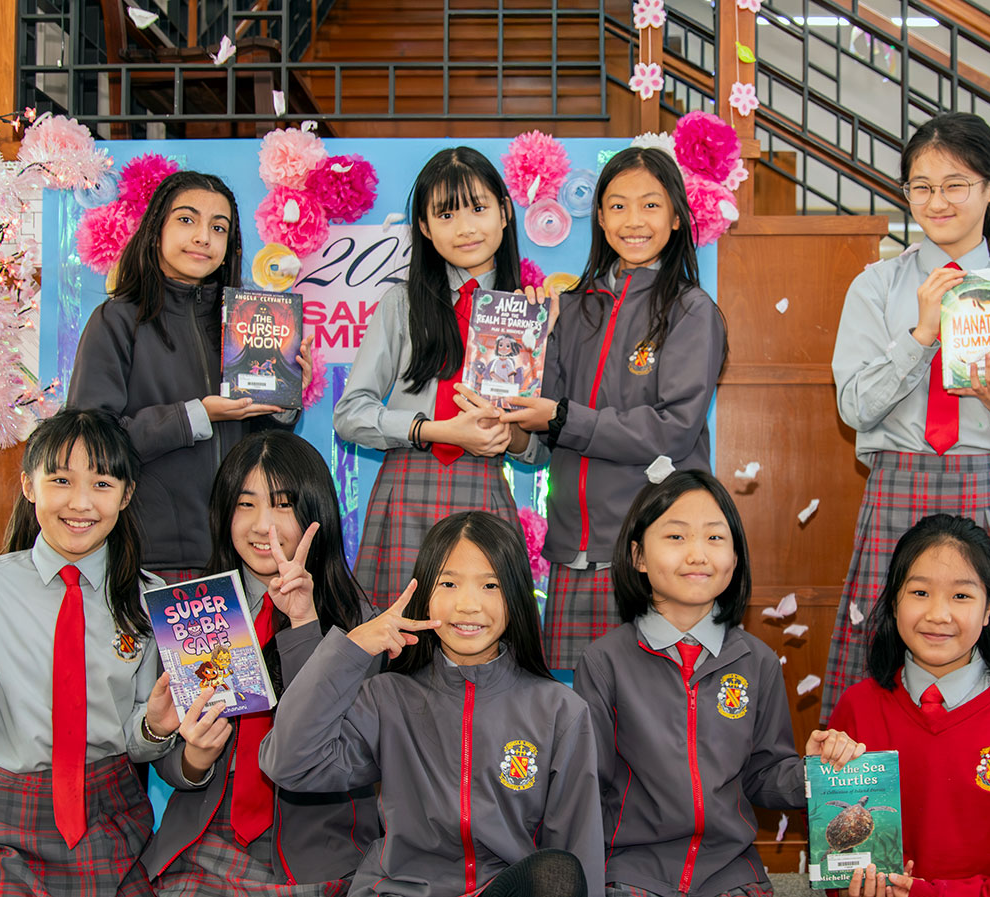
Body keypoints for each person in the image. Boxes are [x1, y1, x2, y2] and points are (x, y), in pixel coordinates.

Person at [824, 112, 990, 722]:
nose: (937, 200)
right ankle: (870, 805)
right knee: (880, 664)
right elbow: (853, 407)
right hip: (897, 482)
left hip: (989, 485)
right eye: (922, 185)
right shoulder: (876, 288)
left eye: (956, 183)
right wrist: (920, 336)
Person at [262, 511, 604, 897]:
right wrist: (351, 649)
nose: (469, 605)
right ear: (424, 595)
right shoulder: (386, 697)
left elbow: (576, 852)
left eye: (490, 585)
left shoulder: (560, 711)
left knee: (557, 872)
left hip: (500, 889)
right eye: (449, 583)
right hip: (399, 890)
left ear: (517, 595)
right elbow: (289, 764)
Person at [0, 408, 181, 895]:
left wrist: (155, 725)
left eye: (102, 484)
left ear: (126, 495)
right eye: (60, 480)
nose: (80, 503)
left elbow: (136, 740)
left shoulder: (149, 596)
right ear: (28, 486)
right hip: (2, 820)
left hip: (111, 814)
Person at [576, 470, 866, 897]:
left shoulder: (758, 660)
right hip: (634, 871)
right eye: (676, 537)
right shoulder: (604, 662)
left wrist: (813, 772)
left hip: (733, 871)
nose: (698, 555)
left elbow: (763, 775)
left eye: (715, 538)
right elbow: (587, 787)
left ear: (735, 556)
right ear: (637, 556)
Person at [501, 146, 727, 669]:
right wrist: (531, 358)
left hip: (649, 559)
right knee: (574, 726)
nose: (633, 221)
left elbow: (672, 430)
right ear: (599, 217)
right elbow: (542, 426)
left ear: (676, 216)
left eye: (650, 205)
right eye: (618, 206)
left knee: (653, 725)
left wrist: (562, 419)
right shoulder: (573, 308)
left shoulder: (691, 311)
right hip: (572, 557)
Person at [143, 431, 380, 896]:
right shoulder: (199, 611)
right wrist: (194, 757)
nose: (261, 526)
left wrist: (304, 624)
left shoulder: (360, 622)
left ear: (315, 512)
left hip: (315, 851)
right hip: (207, 839)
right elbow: (172, 768)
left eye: (283, 504)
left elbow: (336, 747)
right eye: (245, 505)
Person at [67, 170, 313, 583]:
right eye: (187, 220)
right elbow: (91, 446)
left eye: (219, 228)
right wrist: (197, 416)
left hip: (239, 556)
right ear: (155, 229)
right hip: (151, 556)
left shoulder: (245, 322)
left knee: (238, 653)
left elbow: (264, 447)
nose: (203, 237)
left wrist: (285, 400)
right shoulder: (117, 320)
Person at [830, 514, 990, 897]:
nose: (938, 615)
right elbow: (835, 851)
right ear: (893, 601)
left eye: (961, 595)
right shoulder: (857, 706)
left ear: (989, 608)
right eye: (920, 593)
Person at [334, 147, 536, 609]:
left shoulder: (527, 311)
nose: (465, 228)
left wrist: (511, 436)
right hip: (406, 489)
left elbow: (539, 447)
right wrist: (434, 430)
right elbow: (349, 415)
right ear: (423, 227)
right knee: (398, 643)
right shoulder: (401, 305)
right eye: (445, 214)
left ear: (505, 212)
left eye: (479, 208)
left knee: (484, 634)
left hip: (483, 485)